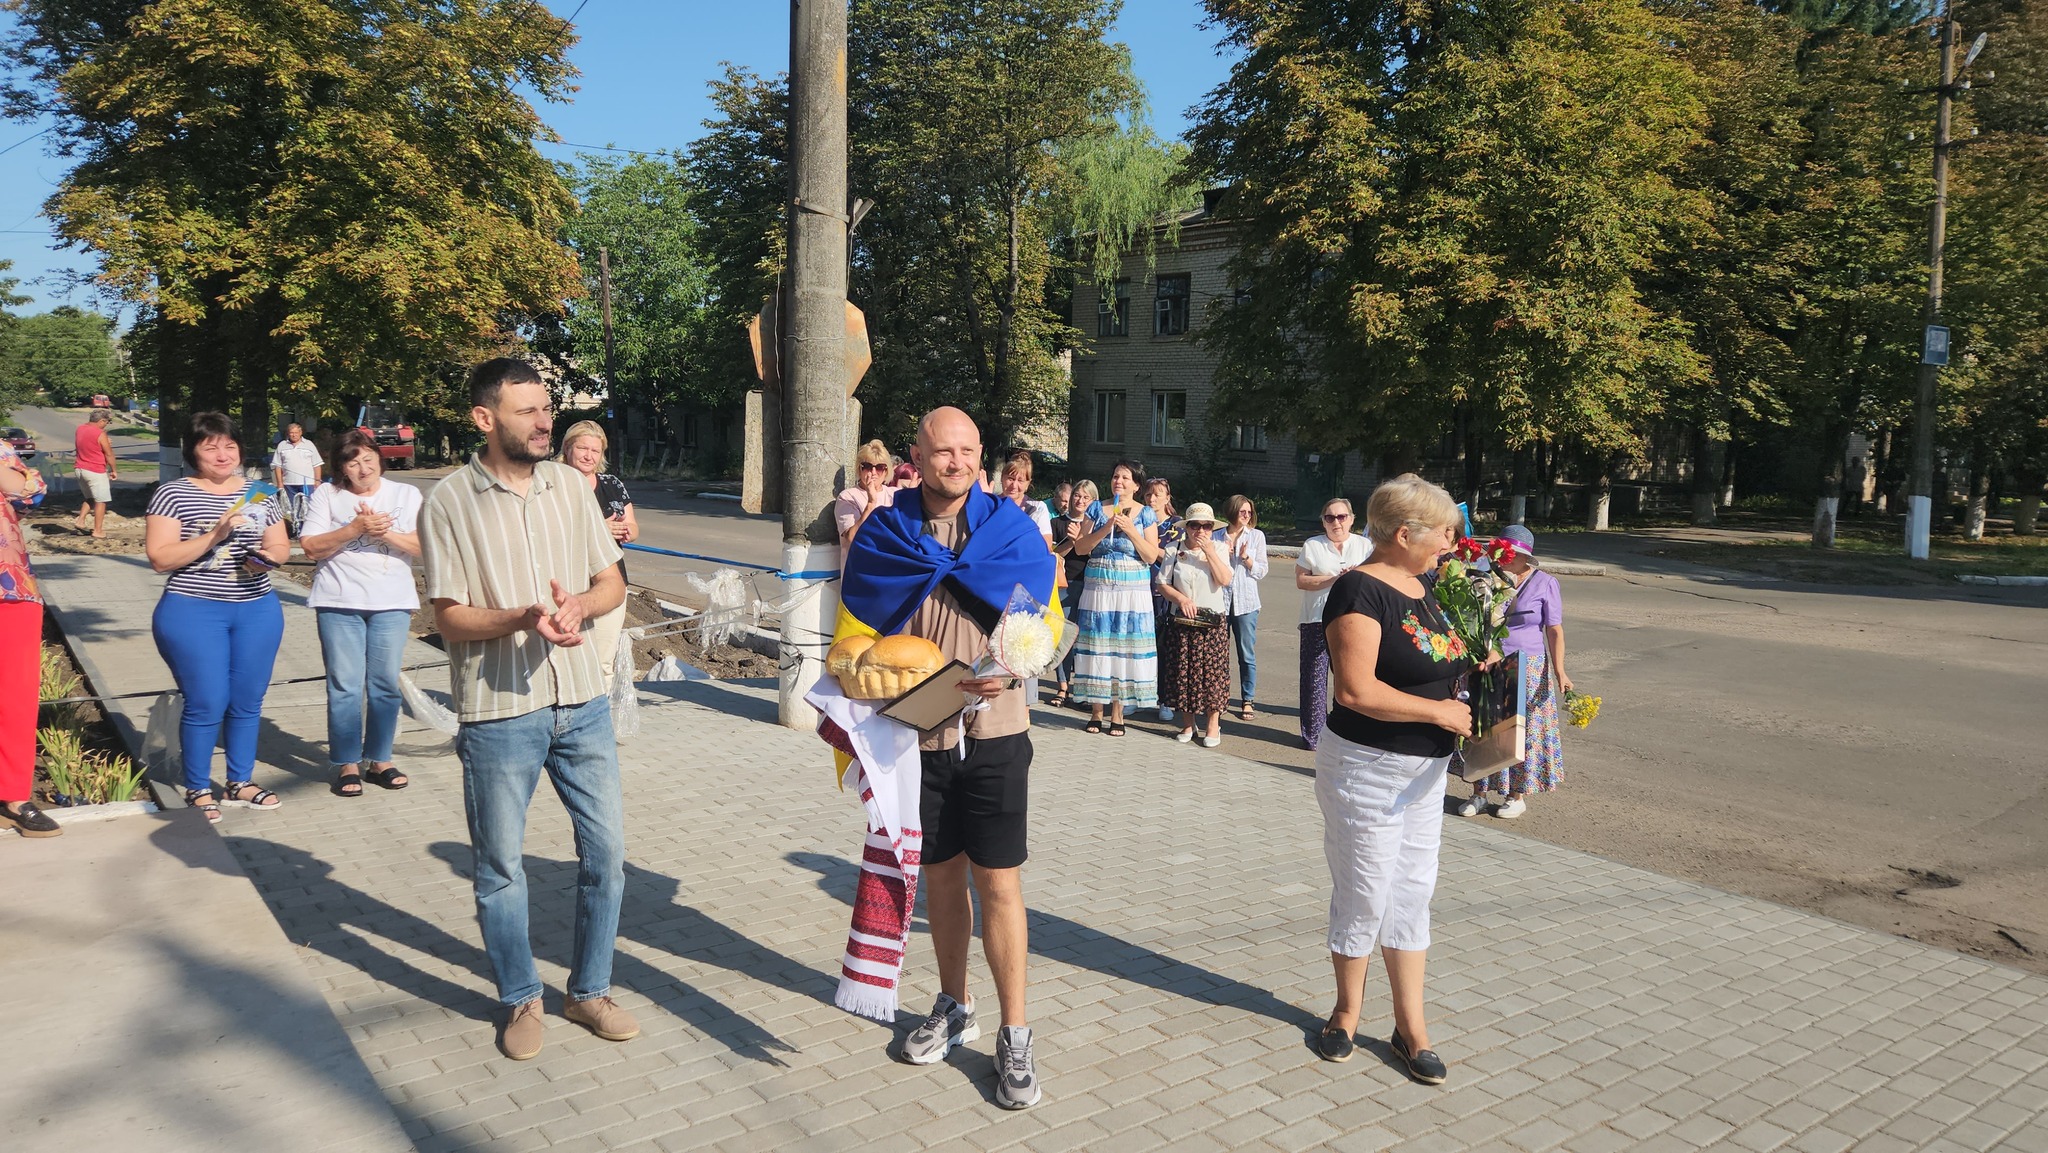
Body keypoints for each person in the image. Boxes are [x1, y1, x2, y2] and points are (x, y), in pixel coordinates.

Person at [836, 406, 1053, 1109]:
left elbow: (1046, 616)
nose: (953, 461)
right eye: (940, 450)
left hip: (994, 729)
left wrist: (1019, 662)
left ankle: (1015, 1033)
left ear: (979, 454)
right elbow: (853, 630)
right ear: (916, 454)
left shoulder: (1011, 528)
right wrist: (850, 674)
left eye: (965, 449)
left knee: (1000, 884)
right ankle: (954, 1007)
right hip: (916, 736)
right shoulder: (887, 530)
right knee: (941, 880)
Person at [420, 358, 633, 1062]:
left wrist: (579, 603)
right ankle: (520, 996)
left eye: (547, 409)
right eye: (528, 411)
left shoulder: (573, 487)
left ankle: (588, 989)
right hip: (498, 709)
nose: (546, 421)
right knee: (500, 867)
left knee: (606, 853)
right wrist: (520, 616)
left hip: (581, 701)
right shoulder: (449, 500)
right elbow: (448, 618)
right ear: (485, 418)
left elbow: (610, 583)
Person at [1314, 474, 1471, 1084]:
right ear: (1404, 534)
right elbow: (1355, 690)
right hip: (1366, 769)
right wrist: (1438, 711)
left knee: (1411, 893)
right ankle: (1346, 1013)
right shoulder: (1358, 591)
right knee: (1366, 892)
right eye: (1442, 533)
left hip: (1425, 773)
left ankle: (1412, 1028)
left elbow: (1429, 656)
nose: (1451, 542)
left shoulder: (1422, 583)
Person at [145, 412, 291, 824]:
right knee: (208, 700)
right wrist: (215, 535)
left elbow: (280, 545)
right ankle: (196, 787)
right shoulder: (172, 493)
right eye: (210, 447)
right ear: (193, 452)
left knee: (247, 700)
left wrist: (268, 559)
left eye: (229, 445)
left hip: (257, 608)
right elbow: (159, 557)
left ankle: (239, 782)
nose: (222, 454)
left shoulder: (260, 493)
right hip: (193, 609)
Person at [300, 429, 423, 798]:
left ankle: (380, 759)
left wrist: (385, 534)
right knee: (345, 685)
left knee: (384, 684)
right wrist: (354, 528)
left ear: (379, 459)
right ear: (341, 467)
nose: (363, 468)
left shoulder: (406, 494)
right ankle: (346, 762)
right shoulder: (328, 494)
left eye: (369, 459)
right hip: (338, 602)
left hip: (392, 602)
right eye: (353, 462)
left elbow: (421, 545)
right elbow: (310, 547)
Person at [1459, 524, 1571, 819]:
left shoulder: (1545, 583)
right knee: (1484, 726)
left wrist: (1560, 671)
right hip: (1488, 661)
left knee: (1520, 730)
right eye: (1499, 553)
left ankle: (1515, 795)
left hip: (1528, 664)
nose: (1501, 559)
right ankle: (1478, 792)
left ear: (1523, 556)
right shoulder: (1486, 577)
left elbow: (1554, 630)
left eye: (1508, 554)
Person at [1070, 462, 1161, 736]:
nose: (1118, 481)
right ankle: (1097, 712)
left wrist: (1130, 529)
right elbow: (1081, 548)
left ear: (1136, 485)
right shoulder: (1097, 509)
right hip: (1098, 593)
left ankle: (1118, 713)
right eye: (1115, 476)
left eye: (1125, 477)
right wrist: (1106, 526)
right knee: (1099, 646)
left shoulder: (1145, 514)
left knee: (1124, 649)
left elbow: (1151, 556)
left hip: (1131, 595)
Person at [1, 439, 60, 837]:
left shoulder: (1, 451)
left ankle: (16, 795)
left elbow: (32, 493)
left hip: (11, 586)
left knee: (16, 695)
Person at [559, 420, 636, 690]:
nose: (589, 456)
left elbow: (634, 526)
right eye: (582, 448)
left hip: (610, 581)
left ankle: (599, 721)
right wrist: (598, 528)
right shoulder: (552, 482)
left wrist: (625, 530)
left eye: (596, 450)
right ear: (568, 448)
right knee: (565, 658)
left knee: (603, 661)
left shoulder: (611, 484)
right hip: (567, 581)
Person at [1296, 497, 1372, 750]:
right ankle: (1313, 737)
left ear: (1351, 519)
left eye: (1341, 517)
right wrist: (1334, 579)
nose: (1336, 523)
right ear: (1323, 521)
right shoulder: (1313, 545)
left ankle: (1347, 733)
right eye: (1330, 518)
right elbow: (1302, 581)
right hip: (1316, 619)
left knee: (1349, 679)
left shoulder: (1364, 546)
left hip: (1353, 621)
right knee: (1313, 680)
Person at [1155, 503, 1233, 747]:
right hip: (1183, 619)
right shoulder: (1173, 549)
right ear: (1187, 527)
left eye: (1207, 526)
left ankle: (1212, 724)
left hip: (1212, 621)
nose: (1201, 530)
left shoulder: (1219, 547)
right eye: (1196, 525)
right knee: (1183, 672)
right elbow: (1162, 584)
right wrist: (1181, 598)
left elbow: (1224, 580)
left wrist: (1209, 551)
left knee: (1212, 674)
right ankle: (1188, 723)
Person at [1046, 480, 1095, 708]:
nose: (1080, 501)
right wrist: (1072, 541)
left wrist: (1084, 539)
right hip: (1065, 585)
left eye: (1086, 497)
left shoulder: (1096, 525)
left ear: (1093, 501)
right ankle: (1062, 686)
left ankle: (1082, 690)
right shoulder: (1057, 523)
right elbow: (1053, 553)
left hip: (1091, 585)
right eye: (1077, 496)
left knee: (1085, 639)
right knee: (1064, 637)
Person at [1220, 494, 1269, 722]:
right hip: (1220, 602)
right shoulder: (1217, 534)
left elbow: (1261, 571)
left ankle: (1247, 699)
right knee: (1219, 654)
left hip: (1246, 604)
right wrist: (1223, 555)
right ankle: (1219, 698)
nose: (1247, 516)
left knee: (1246, 654)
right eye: (1242, 512)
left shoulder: (1256, 536)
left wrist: (1246, 558)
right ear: (1232, 512)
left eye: (1249, 512)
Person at [1140, 477, 1182, 722]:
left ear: (1168, 497)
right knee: (1142, 647)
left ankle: (1165, 699)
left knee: (1164, 648)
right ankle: (1139, 697)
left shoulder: (1176, 525)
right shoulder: (1140, 519)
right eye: (1148, 495)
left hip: (1163, 593)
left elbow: (1170, 556)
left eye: (1157, 494)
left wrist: (1147, 546)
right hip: (1138, 590)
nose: (1152, 499)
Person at [836, 439, 898, 553]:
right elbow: (851, 538)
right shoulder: (848, 497)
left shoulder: (895, 495)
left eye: (879, 467)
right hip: (862, 567)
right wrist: (870, 504)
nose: (873, 472)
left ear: (886, 471)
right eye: (868, 466)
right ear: (860, 469)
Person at [71, 408, 117, 538]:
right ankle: (98, 531)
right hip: (95, 470)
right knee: (101, 501)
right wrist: (114, 470)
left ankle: (80, 521)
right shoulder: (100, 433)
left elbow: (89, 443)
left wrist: (104, 440)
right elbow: (108, 453)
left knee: (90, 498)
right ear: (101, 420)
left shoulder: (80, 428)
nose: (106, 424)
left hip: (80, 469)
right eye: (107, 422)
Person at [270, 423, 324, 529]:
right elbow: (277, 466)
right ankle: (294, 529)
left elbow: (317, 465)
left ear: (300, 433)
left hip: (307, 483)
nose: (294, 435)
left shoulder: (309, 445)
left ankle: (307, 528)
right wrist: (280, 483)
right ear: (288, 434)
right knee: (291, 508)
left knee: (307, 507)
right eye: (291, 433)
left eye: (296, 433)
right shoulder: (282, 445)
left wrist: (317, 481)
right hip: (288, 483)